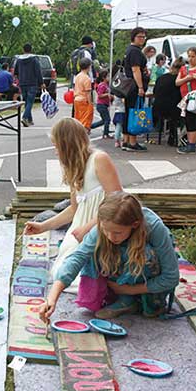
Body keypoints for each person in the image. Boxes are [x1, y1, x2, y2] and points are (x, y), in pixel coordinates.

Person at [39, 192, 179, 321]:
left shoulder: (155, 228)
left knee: (146, 254)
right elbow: (78, 257)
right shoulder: (104, 227)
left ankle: (142, 300)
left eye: (118, 232)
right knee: (94, 250)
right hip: (122, 282)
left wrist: (128, 289)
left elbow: (171, 277)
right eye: (106, 230)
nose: (111, 237)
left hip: (146, 280)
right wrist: (52, 297)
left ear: (134, 225)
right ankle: (126, 301)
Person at [24, 118, 122, 293]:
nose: (55, 152)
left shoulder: (99, 159)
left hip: (104, 228)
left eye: (56, 146)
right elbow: (75, 208)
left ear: (67, 144)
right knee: (60, 273)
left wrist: (87, 228)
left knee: (78, 278)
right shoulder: (74, 167)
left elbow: (118, 202)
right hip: (80, 231)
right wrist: (43, 226)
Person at [122, 27, 149, 152]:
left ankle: (126, 140)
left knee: (128, 112)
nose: (142, 39)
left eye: (144, 37)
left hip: (129, 87)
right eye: (140, 36)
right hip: (134, 86)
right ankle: (132, 142)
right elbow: (135, 69)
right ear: (133, 37)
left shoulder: (129, 50)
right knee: (134, 112)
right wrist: (140, 87)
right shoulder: (135, 51)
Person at [153, 57, 183, 147]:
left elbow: (155, 92)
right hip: (173, 109)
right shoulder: (179, 81)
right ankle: (179, 137)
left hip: (158, 108)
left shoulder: (161, 78)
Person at [16, 43, 44, 127]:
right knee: (30, 102)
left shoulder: (19, 60)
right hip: (32, 83)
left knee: (26, 102)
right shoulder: (34, 60)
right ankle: (25, 117)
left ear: (23, 50)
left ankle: (30, 120)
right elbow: (38, 71)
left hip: (22, 83)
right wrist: (41, 82)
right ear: (31, 49)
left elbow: (16, 72)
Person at [73, 58, 94, 133]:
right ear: (89, 66)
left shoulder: (77, 76)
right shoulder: (87, 78)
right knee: (85, 120)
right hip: (83, 100)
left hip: (76, 99)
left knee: (78, 118)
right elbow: (88, 93)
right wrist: (90, 103)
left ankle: (77, 134)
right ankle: (83, 134)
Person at [91, 70, 113, 139]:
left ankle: (90, 126)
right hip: (101, 105)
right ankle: (105, 134)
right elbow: (100, 95)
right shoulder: (102, 85)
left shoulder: (106, 85)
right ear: (104, 78)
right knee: (107, 119)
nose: (109, 77)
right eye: (108, 76)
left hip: (104, 105)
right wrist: (107, 94)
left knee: (104, 120)